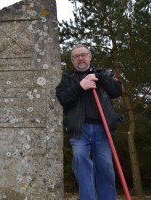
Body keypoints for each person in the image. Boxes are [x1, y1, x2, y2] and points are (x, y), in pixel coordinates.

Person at [56, 44, 123, 200]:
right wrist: (81, 86)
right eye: (76, 56)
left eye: (83, 54)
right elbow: (63, 98)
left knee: (105, 167)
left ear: (89, 56)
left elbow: (116, 91)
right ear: (72, 60)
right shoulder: (67, 79)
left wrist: (102, 77)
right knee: (80, 160)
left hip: (103, 129)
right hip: (79, 130)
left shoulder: (103, 74)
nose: (80, 58)